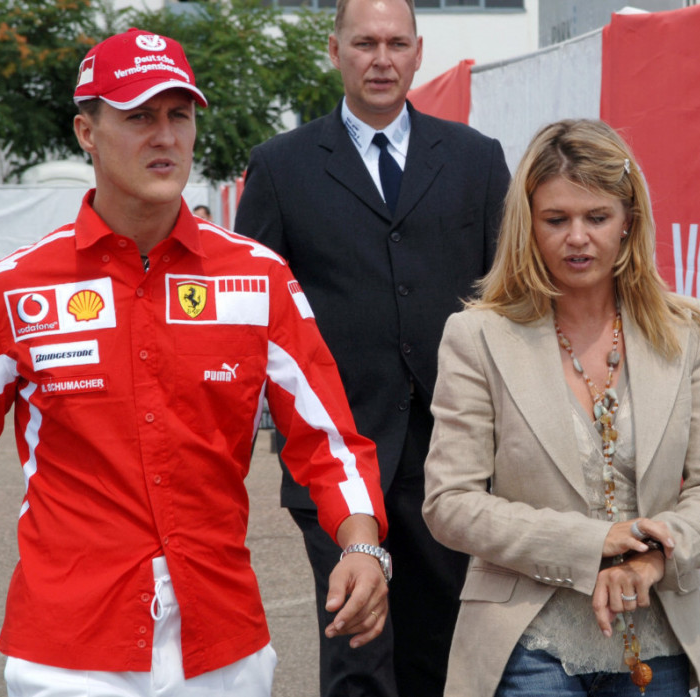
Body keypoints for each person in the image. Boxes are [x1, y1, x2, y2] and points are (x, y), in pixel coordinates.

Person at [0, 29, 391, 697]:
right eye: (138, 116)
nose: (165, 137)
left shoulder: (259, 278)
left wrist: (361, 544)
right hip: (69, 652)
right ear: (86, 132)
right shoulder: (18, 290)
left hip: (224, 646)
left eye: (179, 115)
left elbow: (329, 440)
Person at [233, 0, 510, 694]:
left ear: (418, 52)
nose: (381, 59)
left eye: (396, 43)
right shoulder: (280, 167)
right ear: (335, 51)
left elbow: (511, 298)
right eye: (364, 43)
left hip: (453, 450)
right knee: (358, 650)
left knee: (441, 654)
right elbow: (250, 315)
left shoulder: (476, 160)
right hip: (334, 450)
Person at [422, 119, 700, 697]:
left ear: (629, 221)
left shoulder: (687, 331)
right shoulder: (477, 337)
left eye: (596, 217)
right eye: (556, 220)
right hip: (528, 645)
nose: (577, 238)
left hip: (659, 644)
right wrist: (593, 542)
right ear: (528, 225)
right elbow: (450, 503)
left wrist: (652, 560)